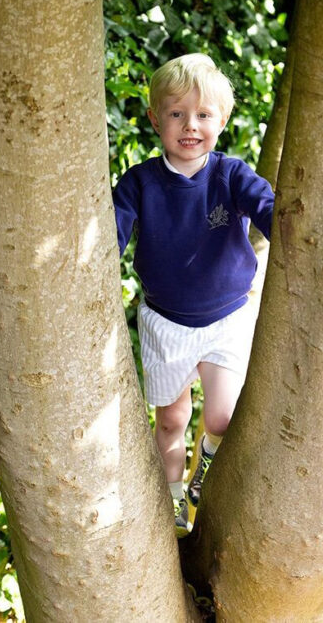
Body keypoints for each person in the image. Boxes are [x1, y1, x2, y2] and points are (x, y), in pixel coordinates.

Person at [113, 53, 274, 536]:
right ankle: (172, 498)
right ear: (155, 119)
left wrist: (287, 229)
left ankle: (203, 470)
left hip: (226, 319)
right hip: (166, 321)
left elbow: (267, 206)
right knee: (171, 419)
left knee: (222, 418)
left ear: (222, 121)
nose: (190, 125)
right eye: (177, 113)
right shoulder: (140, 182)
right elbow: (112, 232)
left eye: (203, 114)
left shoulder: (231, 175)